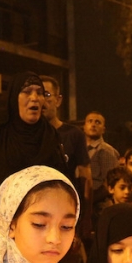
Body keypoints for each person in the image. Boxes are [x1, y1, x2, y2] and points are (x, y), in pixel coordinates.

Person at [0, 72, 65, 240]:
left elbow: (62, 185)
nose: (35, 98)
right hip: (3, 233)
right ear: (14, 97)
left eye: (40, 92)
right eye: (27, 91)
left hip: (45, 233)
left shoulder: (51, 137)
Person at [41, 75, 92, 204]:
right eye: (38, 95)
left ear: (58, 100)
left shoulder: (74, 134)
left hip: (65, 203)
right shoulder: (26, 135)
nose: (41, 100)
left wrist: (86, 213)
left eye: (46, 94)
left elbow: (85, 174)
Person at [85, 111, 120, 194]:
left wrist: (92, 200)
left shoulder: (106, 151)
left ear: (103, 129)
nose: (93, 125)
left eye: (98, 122)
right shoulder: (80, 149)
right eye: (90, 121)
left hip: (98, 202)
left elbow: (110, 182)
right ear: (84, 126)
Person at [93, 165, 132, 231]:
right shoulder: (103, 212)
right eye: (122, 188)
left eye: (130, 188)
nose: (127, 192)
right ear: (111, 189)